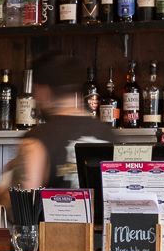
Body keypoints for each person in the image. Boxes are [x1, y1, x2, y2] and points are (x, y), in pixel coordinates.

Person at [11, 50, 116, 192]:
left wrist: (3, 191)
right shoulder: (108, 134)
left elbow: (23, 202)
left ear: (43, 91)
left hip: (55, 214)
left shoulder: (38, 139)